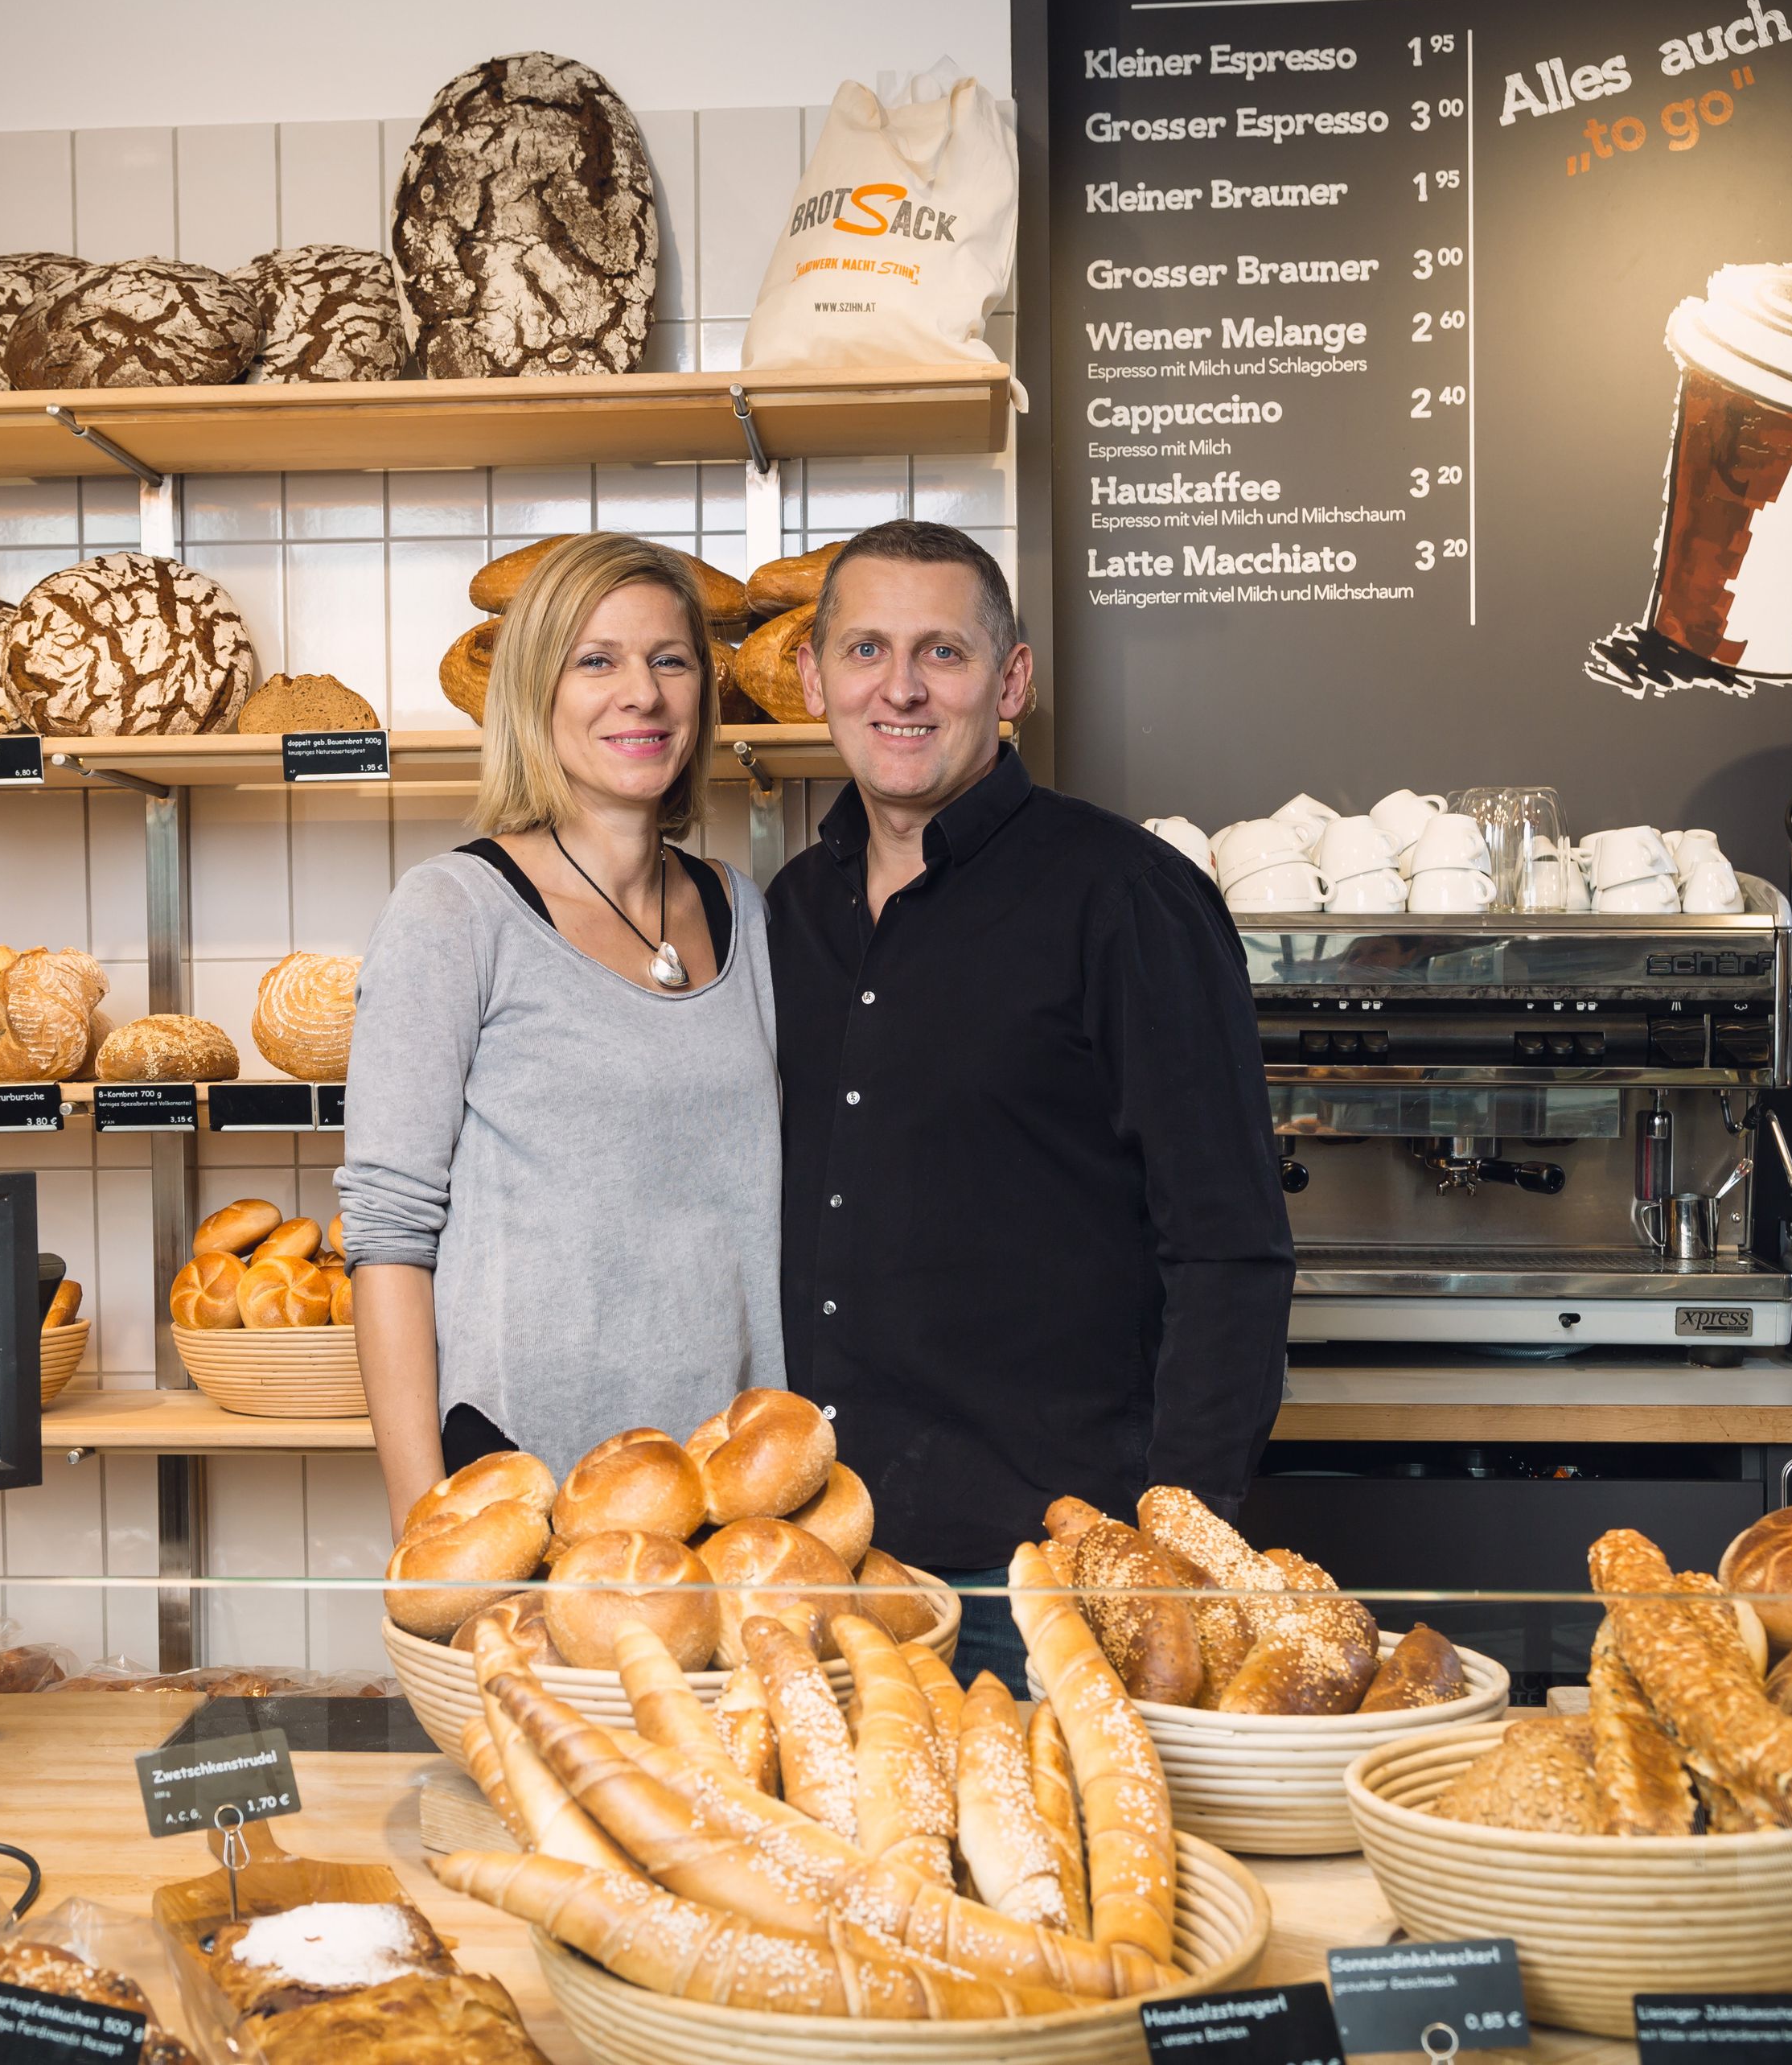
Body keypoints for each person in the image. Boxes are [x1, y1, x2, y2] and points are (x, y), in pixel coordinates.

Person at [767, 519, 1294, 1687]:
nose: (898, 686)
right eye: (863, 649)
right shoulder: (788, 915)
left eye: (942, 653)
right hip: (830, 1562)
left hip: (1045, 1573)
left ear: (1012, 680)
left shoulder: (1126, 898)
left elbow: (1230, 1247)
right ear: (813, 678)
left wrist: (1170, 1548)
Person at [339, 533, 783, 1531]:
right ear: (536, 693)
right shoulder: (455, 911)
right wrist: (429, 1523)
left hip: (728, 1480)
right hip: (525, 1481)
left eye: (670, 660)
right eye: (598, 661)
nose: (643, 694)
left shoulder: (743, 914)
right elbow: (387, 1239)